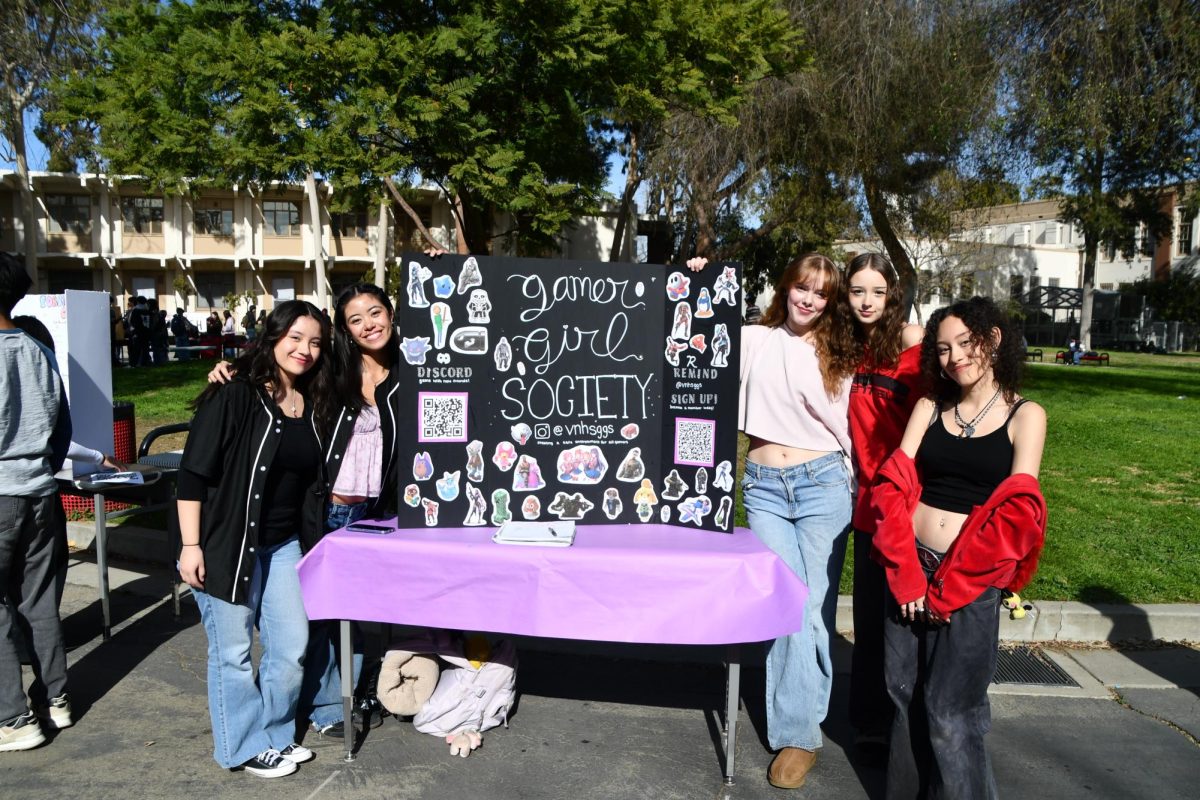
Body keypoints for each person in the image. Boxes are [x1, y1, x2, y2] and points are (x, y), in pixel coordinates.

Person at [689, 253, 859, 790]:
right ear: (785, 288)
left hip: (823, 483)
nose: (808, 299)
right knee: (784, 603)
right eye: (801, 288)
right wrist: (699, 278)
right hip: (762, 485)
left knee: (809, 608)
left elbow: (902, 333)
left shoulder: (840, 349)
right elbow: (688, 332)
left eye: (821, 293)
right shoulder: (752, 340)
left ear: (830, 302)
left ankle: (799, 734)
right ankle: (798, 718)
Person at [209, 282, 406, 739]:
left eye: (375, 313)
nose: (368, 325)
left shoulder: (408, 369)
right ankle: (314, 706)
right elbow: (284, 361)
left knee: (353, 616)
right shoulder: (333, 368)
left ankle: (337, 700)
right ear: (344, 330)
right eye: (355, 320)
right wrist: (230, 368)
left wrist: (443, 266)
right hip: (324, 510)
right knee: (313, 617)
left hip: (373, 516)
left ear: (392, 315)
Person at [870, 296, 1047, 799]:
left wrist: (950, 588)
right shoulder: (930, 406)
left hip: (970, 579)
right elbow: (891, 489)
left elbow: (1018, 515)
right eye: (943, 349)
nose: (954, 359)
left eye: (965, 344)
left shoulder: (1025, 415)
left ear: (992, 340)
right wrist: (906, 574)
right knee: (904, 700)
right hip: (910, 569)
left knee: (952, 712)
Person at [177, 300, 334, 778]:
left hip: (284, 544)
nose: (305, 350)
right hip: (225, 543)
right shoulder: (237, 394)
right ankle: (243, 746)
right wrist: (190, 546)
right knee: (233, 653)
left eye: (315, 343)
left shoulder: (314, 402)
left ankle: (275, 734)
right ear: (273, 337)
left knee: (290, 648)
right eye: (296, 339)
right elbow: (192, 474)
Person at [843, 253, 925, 761]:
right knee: (871, 620)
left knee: (908, 621)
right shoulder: (842, 345)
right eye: (857, 291)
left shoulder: (914, 348)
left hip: (907, 505)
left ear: (892, 294)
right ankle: (870, 723)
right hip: (863, 508)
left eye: (877, 291)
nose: (867, 301)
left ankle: (912, 725)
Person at [0, 253, 73, 752]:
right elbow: (62, 429)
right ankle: (56, 698)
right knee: (40, 601)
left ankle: (12, 717)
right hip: (42, 492)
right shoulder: (36, 348)